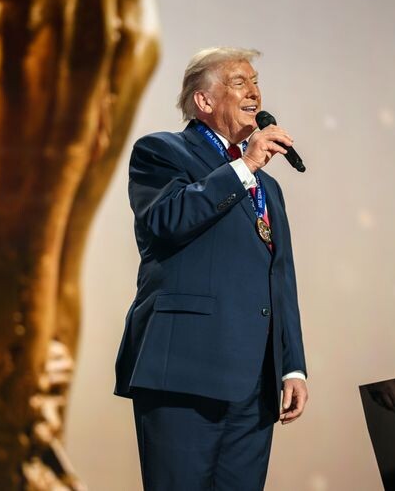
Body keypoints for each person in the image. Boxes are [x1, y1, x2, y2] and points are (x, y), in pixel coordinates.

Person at [113, 47, 308, 491]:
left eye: (256, 82)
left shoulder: (268, 187)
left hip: (254, 384)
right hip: (183, 370)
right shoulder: (161, 151)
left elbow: (280, 276)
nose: (254, 92)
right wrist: (246, 165)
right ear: (203, 101)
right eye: (239, 82)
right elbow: (166, 220)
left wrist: (292, 365)